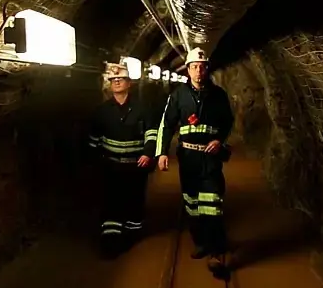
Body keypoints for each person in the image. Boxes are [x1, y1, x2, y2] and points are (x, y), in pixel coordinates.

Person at [154, 47, 235, 275]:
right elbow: (167, 124)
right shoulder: (178, 96)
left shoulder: (218, 95)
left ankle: (216, 252)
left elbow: (228, 122)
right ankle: (200, 242)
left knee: (212, 202)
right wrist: (162, 153)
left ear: (207, 69)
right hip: (188, 158)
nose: (198, 71)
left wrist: (219, 140)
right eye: (194, 67)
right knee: (192, 203)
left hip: (210, 158)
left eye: (202, 67)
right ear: (188, 70)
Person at [88, 62, 158, 258]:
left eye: (121, 79)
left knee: (134, 201)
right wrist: (95, 163)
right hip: (112, 166)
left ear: (129, 83)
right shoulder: (102, 111)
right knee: (111, 202)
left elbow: (152, 133)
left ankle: (131, 234)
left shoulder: (143, 108)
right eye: (113, 80)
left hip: (135, 166)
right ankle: (110, 241)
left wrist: (148, 153)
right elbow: (94, 140)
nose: (117, 82)